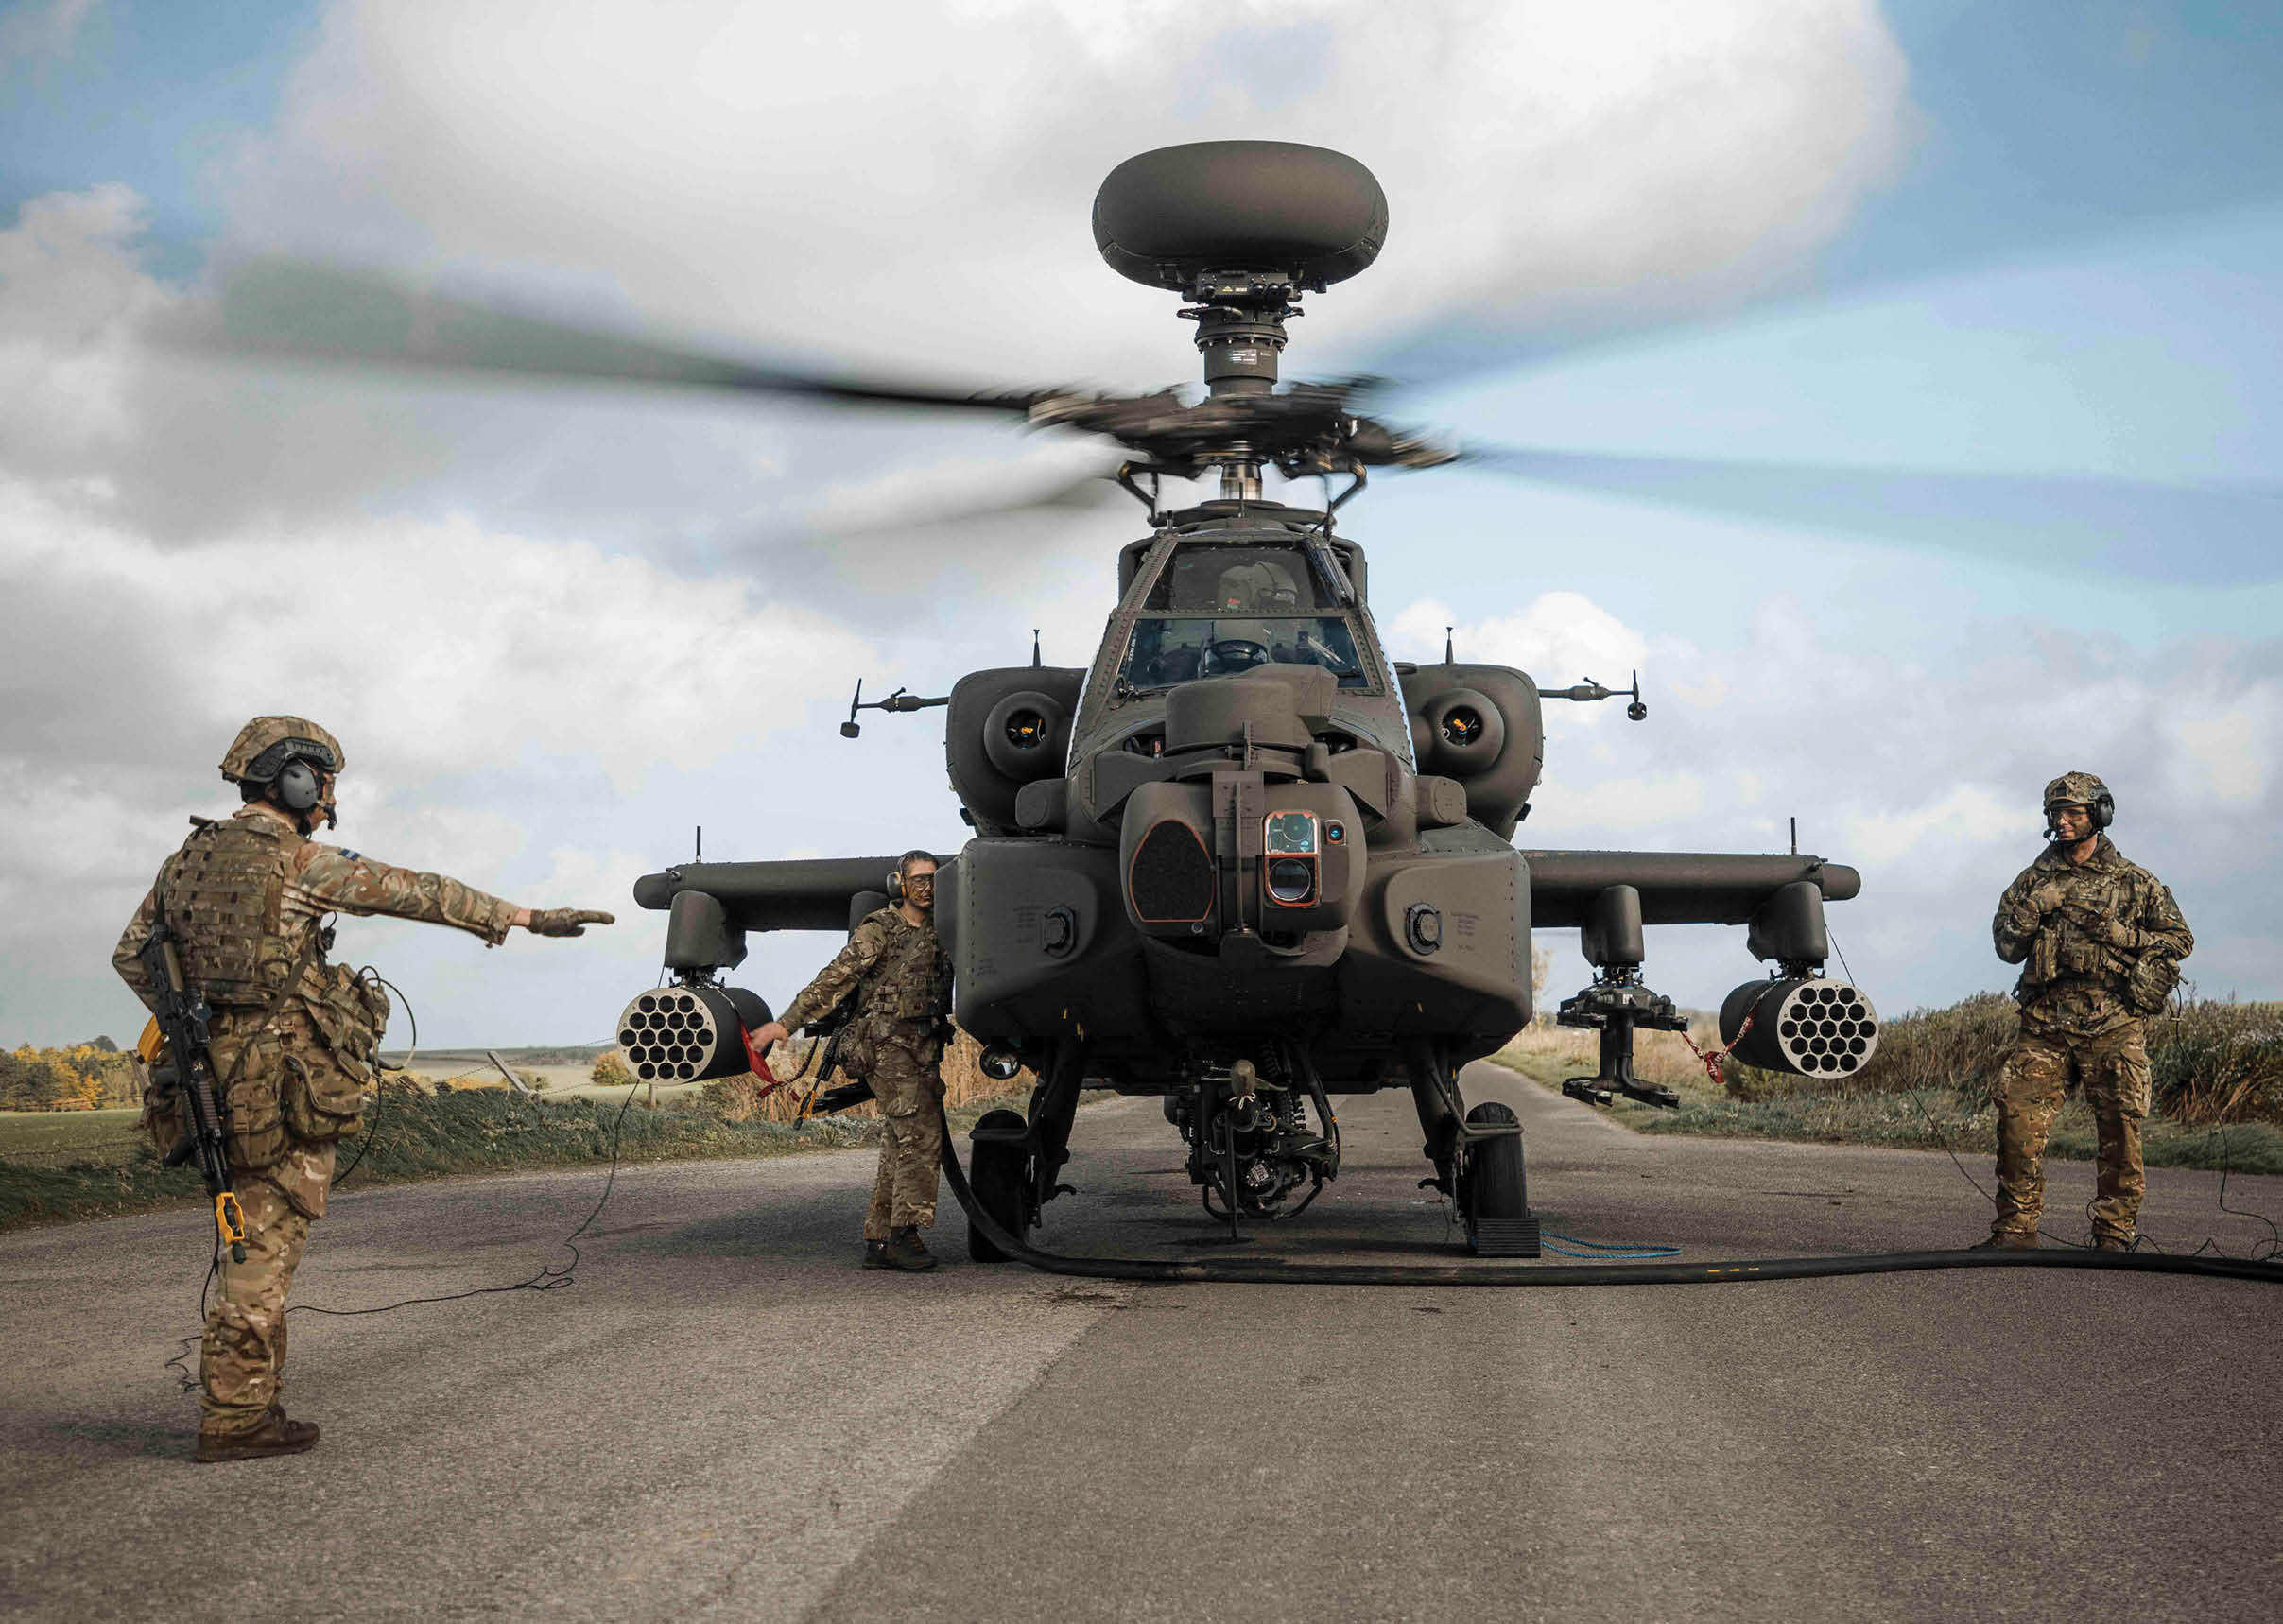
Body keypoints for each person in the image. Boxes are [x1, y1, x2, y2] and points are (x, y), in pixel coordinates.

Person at [113, 717, 614, 1462]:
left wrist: (200, 1022)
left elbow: (132, 957)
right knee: (260, 1245)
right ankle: (235, 1419)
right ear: (295, 779)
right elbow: (414, 892)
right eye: (323, 782)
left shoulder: (182, 863)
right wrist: (526, 918)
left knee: (245, 1236)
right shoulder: (296, 863)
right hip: (277, 1087)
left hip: (205, 1080)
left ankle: (253, 1400)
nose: (327, 796)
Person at [1981, 771, 2192, 1251]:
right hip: (2044, 1024)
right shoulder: (2033, 880)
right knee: (2017, 1126)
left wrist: (2126, 937)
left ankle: (2114, 1234)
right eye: (2056, 812)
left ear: (2099, 814)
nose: (2063, 821)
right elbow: (2006, 947)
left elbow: (2180, 940)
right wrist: (2036, 905)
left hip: (2113, 1024)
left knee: (2121, 1131)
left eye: (2073, 812)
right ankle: (2016, 1230)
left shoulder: (2135, 882)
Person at [750, 851, 953, 1272]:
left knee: (902, 1137)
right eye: (917, 880)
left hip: (922, 1046)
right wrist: (785, 1024)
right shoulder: (880, 929)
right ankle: (905, 1234)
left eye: (933, 880)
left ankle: (879, 1240)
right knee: (920, 1130)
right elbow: (833, 979)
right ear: (900, 883)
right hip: (885, 1044)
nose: (926, 888)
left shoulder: (943, 929)